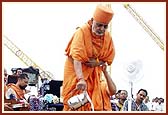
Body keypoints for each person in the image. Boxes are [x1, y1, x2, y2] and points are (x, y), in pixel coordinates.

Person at [62, 4, 115, 111]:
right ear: (92, 21)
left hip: (93, 73)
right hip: (75, 71)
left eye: (105, 26)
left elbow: (108, 58)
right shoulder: (81, 31)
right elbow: (77, 57)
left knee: (90, 100)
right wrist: (81, 79)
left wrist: (97, 63)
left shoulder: (107, 36)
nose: (101, 29)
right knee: (73, 101)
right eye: (99, 25)